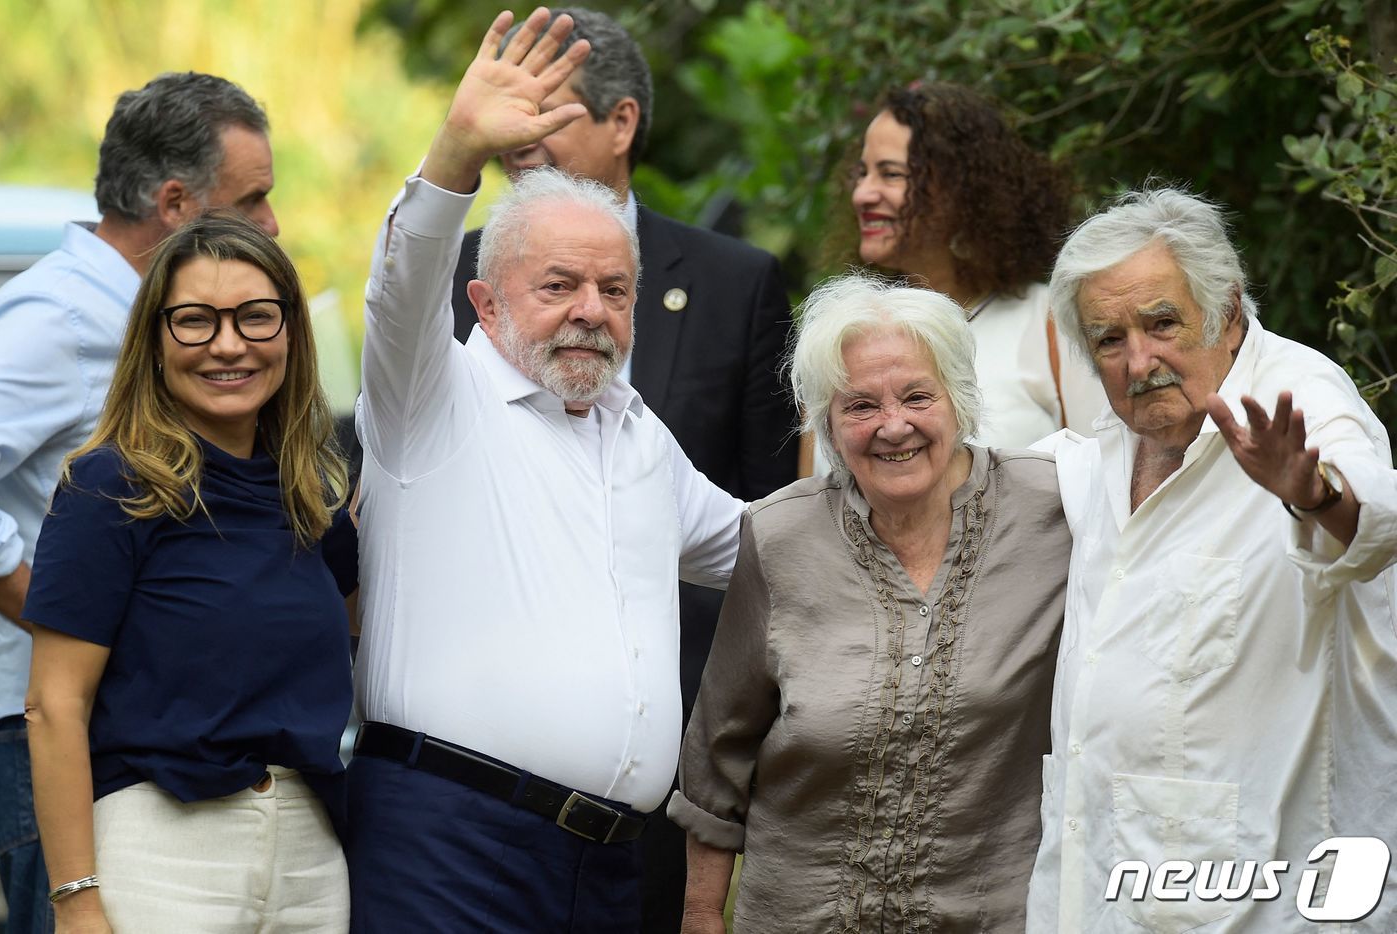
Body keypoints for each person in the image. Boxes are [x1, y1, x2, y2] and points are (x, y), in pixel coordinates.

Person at [346, 10, 742, 933]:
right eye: (557, 285)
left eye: (613, 290)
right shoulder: (429, 399)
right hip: (446, 846)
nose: (590, 312)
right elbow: (401, 286)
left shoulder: (639, 434)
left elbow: (767, 545)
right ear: (484, 303)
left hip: (603, 869)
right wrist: (456, 151)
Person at [445, 13, 799, 923]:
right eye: (508, 125)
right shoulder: (459, 275)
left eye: (545, 119)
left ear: (623, 123)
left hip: (680, 736)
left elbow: (766, 521)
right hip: (481, 762)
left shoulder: (736, 282)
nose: (519, 146)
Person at [1026, 187, 1397, 932]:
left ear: (1226, 313)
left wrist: (1314, 494)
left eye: (1161, 324)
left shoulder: (1295, 395)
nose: (1139, 361)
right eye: (1108, 339)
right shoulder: (1097, 448)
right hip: (1097, 891)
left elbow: (1374, 518)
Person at [670, 273, 1071, 932]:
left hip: (992, 914)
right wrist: (702, 913)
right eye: (859, 405)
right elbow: (719, 752)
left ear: (960, 398)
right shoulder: (778, 538)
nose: (893, 426)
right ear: (825, 420)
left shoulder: (1054, 510)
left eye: (917, 395)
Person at [0, 71, 279, 934]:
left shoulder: (144, 312)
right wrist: (47, 612)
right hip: (39, 728)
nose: (270, 224)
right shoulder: (64, 317)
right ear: (173, 202)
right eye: (254, 198)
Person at [21, 210, 354, 934]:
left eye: (256, 318)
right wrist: (77, 901)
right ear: (156, 339)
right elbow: (54, 707)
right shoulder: (112, 487)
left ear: (291, 333)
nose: (228, 345)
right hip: (162, 848)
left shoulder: (311, 495)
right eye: (196, 321)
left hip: (310, 853)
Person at [841, 81, 1104, 448]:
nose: (862, 194)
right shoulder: (844, 335)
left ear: (961, 191)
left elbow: (1109, 474)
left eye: (891, 174)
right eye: (862, 173)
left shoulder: (1052, 323)